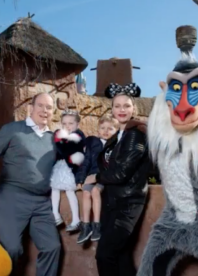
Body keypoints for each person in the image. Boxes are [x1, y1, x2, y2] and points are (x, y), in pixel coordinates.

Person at [0, 92, 61, 276]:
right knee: (11, 249)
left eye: (49, 107)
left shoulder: (54, 139)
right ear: (31, 108)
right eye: (41, 106)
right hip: (12, 197)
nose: (45, 110)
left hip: (42, 202)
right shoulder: (12, 130)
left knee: (52, 247)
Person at [85, 83, 151, 276]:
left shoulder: (135, 135)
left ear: (133, 109)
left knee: (105, 255)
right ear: (112, 109)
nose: (122, 110)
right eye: (117, 106)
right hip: (112, 202)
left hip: (127, 204)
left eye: (126, 106)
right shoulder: (118, 136)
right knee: (121, 257)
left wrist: (95, 177)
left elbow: (121, 173)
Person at [76, 114, 119, 244]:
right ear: (98, 130)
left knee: (95, 191)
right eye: (103, 128)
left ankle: (96, 225)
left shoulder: (116, 146)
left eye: (110, 128)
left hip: (104, 178)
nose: (106, 131)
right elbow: (86, 162)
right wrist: (81, 179)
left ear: (116, 131)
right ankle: (85, 225)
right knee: (86, 192)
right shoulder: (93, 143)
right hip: (91, 176)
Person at [50, 109, 86, 232]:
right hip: (61, 166)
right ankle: (55, 214)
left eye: (70, 123)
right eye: (64, 124)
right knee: (54, 188)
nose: (67, 126)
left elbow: (67, 151)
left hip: (70, 168)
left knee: (70, 192)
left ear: (77, 124)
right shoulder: (64, 135)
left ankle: (76, 219)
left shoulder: (77, 137)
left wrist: (59, 142)